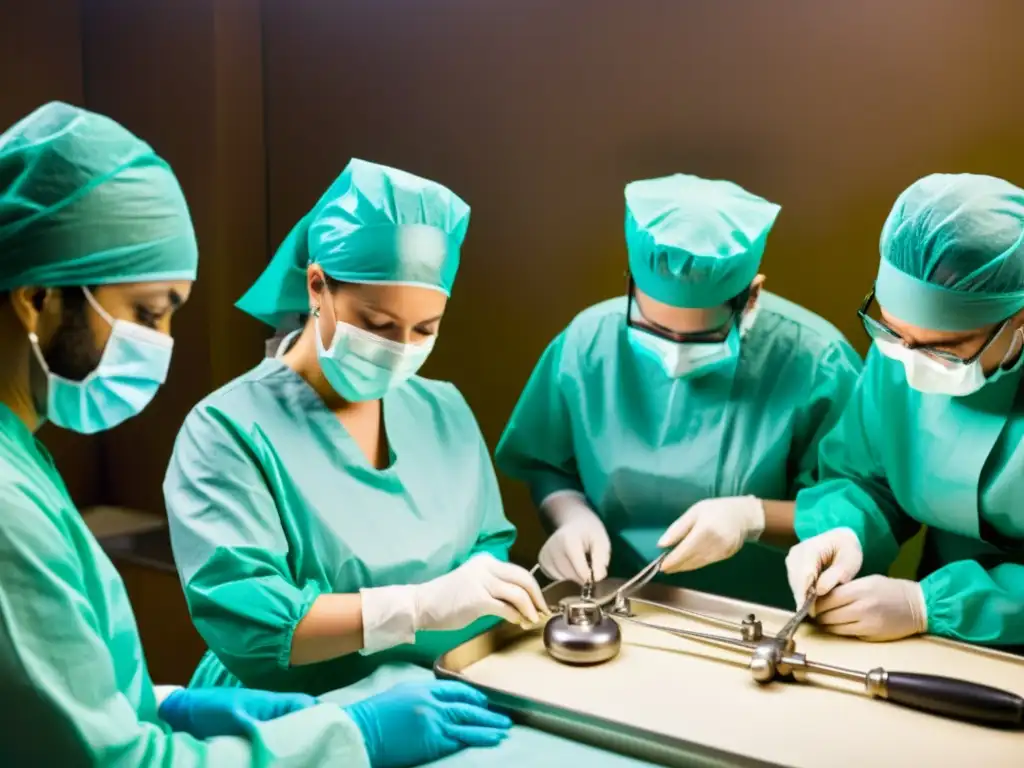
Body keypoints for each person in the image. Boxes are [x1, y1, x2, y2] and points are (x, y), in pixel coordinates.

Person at [0, 102, 510, 767]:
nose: (162, 345)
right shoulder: (15, 506)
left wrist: (166, 704)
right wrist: (354, 734)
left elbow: (58, 698)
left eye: (424, 328)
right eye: (147, 313)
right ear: (36, 298)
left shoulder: (22, 458)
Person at [163, 158, 549, 698]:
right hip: (288, 720)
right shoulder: (227, 431)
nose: (401, 348)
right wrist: (415, 608)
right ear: (317, 286)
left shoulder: (444, 410)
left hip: (441, 693)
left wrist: (487, 582)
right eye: (378, 324)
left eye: (425, 329)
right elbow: (251, 624)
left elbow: (487, 541)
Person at [495, 173, 862, 608]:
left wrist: (752, 517)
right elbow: (546, 463)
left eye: (702, 336)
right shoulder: (588, 343)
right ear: (630, 282)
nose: (673, 353)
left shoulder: (816, 362)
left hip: (761, 614)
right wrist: (568, 515)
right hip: (617, 603)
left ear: (752, 296)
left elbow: (854, 503)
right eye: (652, 327)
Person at [787, 173, 1024, 647]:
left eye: (949, 348)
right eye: (895, 333)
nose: (913, 364)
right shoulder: (902, 351)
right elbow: (866, 478)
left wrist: (930, 605)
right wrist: (844, 532)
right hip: (942, 643)